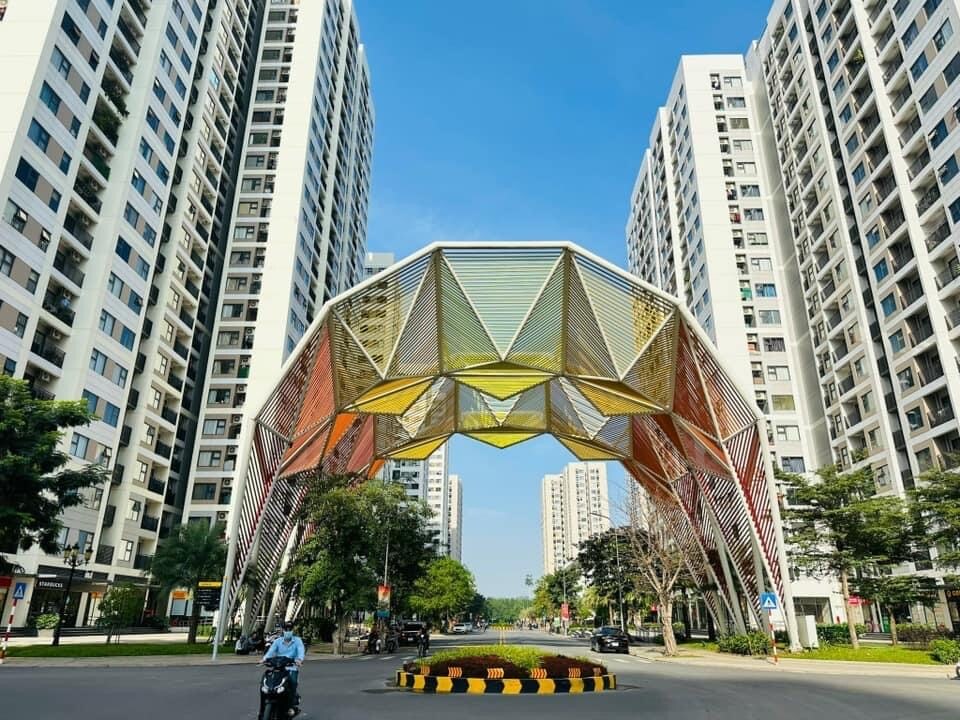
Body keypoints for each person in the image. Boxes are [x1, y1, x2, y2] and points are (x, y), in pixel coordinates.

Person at [262, 620, 305, 715]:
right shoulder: (277, 641)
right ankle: (263, 708)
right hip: (278, 668)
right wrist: (264, 659)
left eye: (290, 629)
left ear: (293, 630)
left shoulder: (298, 640)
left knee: (293, 683)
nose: (288, 631)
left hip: (291, 668)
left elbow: (301, 651)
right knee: (267, 682)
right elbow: (270, 652)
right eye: (286, 629)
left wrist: (299, 659)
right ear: (283, 630)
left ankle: (290, 706)